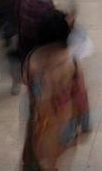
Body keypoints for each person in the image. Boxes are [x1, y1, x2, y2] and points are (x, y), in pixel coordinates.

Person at [22, 10, 91, 170]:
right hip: (64, 121)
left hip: (40, 122)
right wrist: (85, 122)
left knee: (42, 159)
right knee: (56, 160)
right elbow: (81, 94)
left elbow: (29, 86)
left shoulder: (32, 59)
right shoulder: (70, 61)